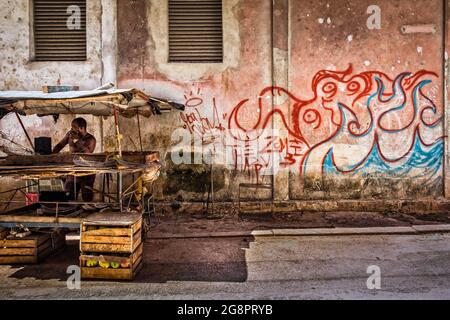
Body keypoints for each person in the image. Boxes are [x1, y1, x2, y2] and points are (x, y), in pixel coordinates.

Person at [52, 117, 97, 202]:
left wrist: (72, 142)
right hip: (73, 170)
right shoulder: (70, 134)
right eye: (71, 127)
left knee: (87, 196)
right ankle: (71, 211)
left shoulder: (91, 139)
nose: (72, 129)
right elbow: (59, 145)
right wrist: (51, 156)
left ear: (82, 128)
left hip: (86, 171)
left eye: (74, 127)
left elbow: (79, 153)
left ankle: (88, 212)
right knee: (69, 195)